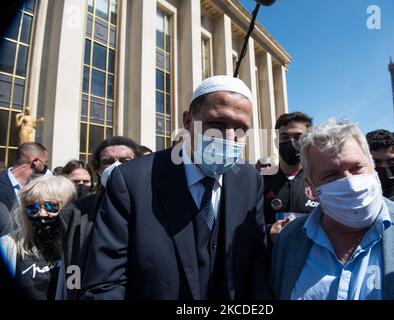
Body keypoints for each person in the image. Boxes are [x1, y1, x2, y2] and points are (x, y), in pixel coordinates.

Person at [80, 75, 271, 300]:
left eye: (240, 130)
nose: (229, 138)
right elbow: (106, 282)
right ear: (188, 121)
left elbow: (257, 267)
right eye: (217, 124)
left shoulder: (249, 180)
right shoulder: (132, 180)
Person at [271, 119, 394, 300]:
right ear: (311, 187)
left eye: (357, 168)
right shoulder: (289, 240)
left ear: (372, 166)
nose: (350, 183)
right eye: (331, 174)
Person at [57, 136, 139, 300]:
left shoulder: (153, 208)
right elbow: (72, 266)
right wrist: (73, 294)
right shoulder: (75, 213)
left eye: (125, 160)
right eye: (107, 161)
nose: (117, 166)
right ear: (98, 170)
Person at [0, 175, 76, 300]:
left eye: (51, 206)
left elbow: (75, 288)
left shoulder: (77, 247)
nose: (41, 213)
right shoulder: (9, 246)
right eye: (32, 208)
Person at [263, 112, 319, 245]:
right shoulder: (260, 180)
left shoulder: (320, 179)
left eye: (298, 136)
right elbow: (248, 226)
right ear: (277, 141)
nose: (291, 142)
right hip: (271, 262)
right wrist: (269, 231)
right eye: (285, 137)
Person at [0, 143, 49, 211]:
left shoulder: (36, 188)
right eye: (45, 162)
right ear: (35, 161)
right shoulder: (2, 185)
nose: (45, 166)